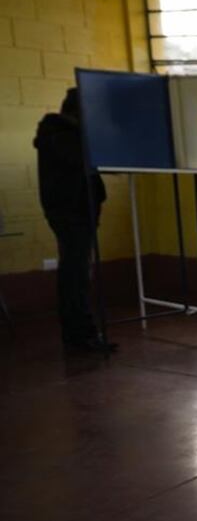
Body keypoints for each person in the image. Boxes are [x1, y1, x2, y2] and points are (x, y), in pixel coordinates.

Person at [33, 87, 111, 353]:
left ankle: (82, 333)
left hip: (78, 210)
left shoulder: (65, 133)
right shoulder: (58, 134)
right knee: (75, 274)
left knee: (77, 273)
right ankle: (79, 335)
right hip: (69, 211)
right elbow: (80, 159)